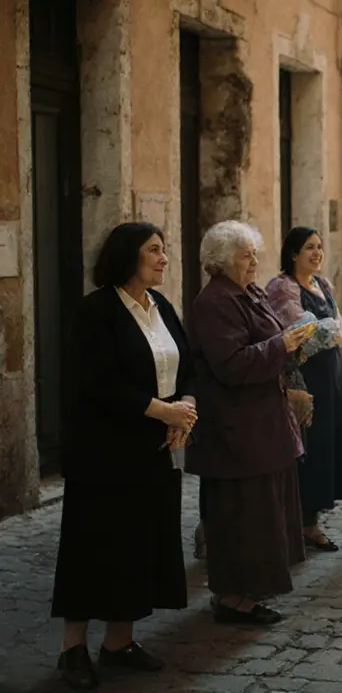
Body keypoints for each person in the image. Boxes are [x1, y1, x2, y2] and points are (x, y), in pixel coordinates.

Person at [51, 223, 197, 688]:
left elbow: (186, 366)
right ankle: (72, 648)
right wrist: (163, 412)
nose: (163, 258)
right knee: (92, 546)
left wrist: (186, 411)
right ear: (126, 256)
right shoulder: (96, 312)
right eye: (154, 250)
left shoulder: (163, 307)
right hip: (103, 452)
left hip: (152, 451)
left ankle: (119, 642)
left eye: (164, 250)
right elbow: (98, 381)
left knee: (140, 547)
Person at [187, 220, 315, 626]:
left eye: (255, 253)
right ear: (223, 262)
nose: (255, 261)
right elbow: (231, 364)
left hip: (263, 421)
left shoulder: (250, 292)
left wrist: (293, 346)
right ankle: (231, 597)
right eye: (246, 255)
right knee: (240, 515)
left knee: (264, 513)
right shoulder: (214, 302)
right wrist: (282, 345)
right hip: (235, 427)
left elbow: (270, 341)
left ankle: (249, 591)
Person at [266, 227, 342, 551]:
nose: (317, 253)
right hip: (303, 379)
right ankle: (295, 523)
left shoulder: (324, 285)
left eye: (319, 247)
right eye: (309, 247)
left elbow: (337, 330)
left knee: (325, 447)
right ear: (293, 253)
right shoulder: (281, 287)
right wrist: (332, 330)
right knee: (305, 449)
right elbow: (304, 331)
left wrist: (330, 330)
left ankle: (311, 523)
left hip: (331, 375)